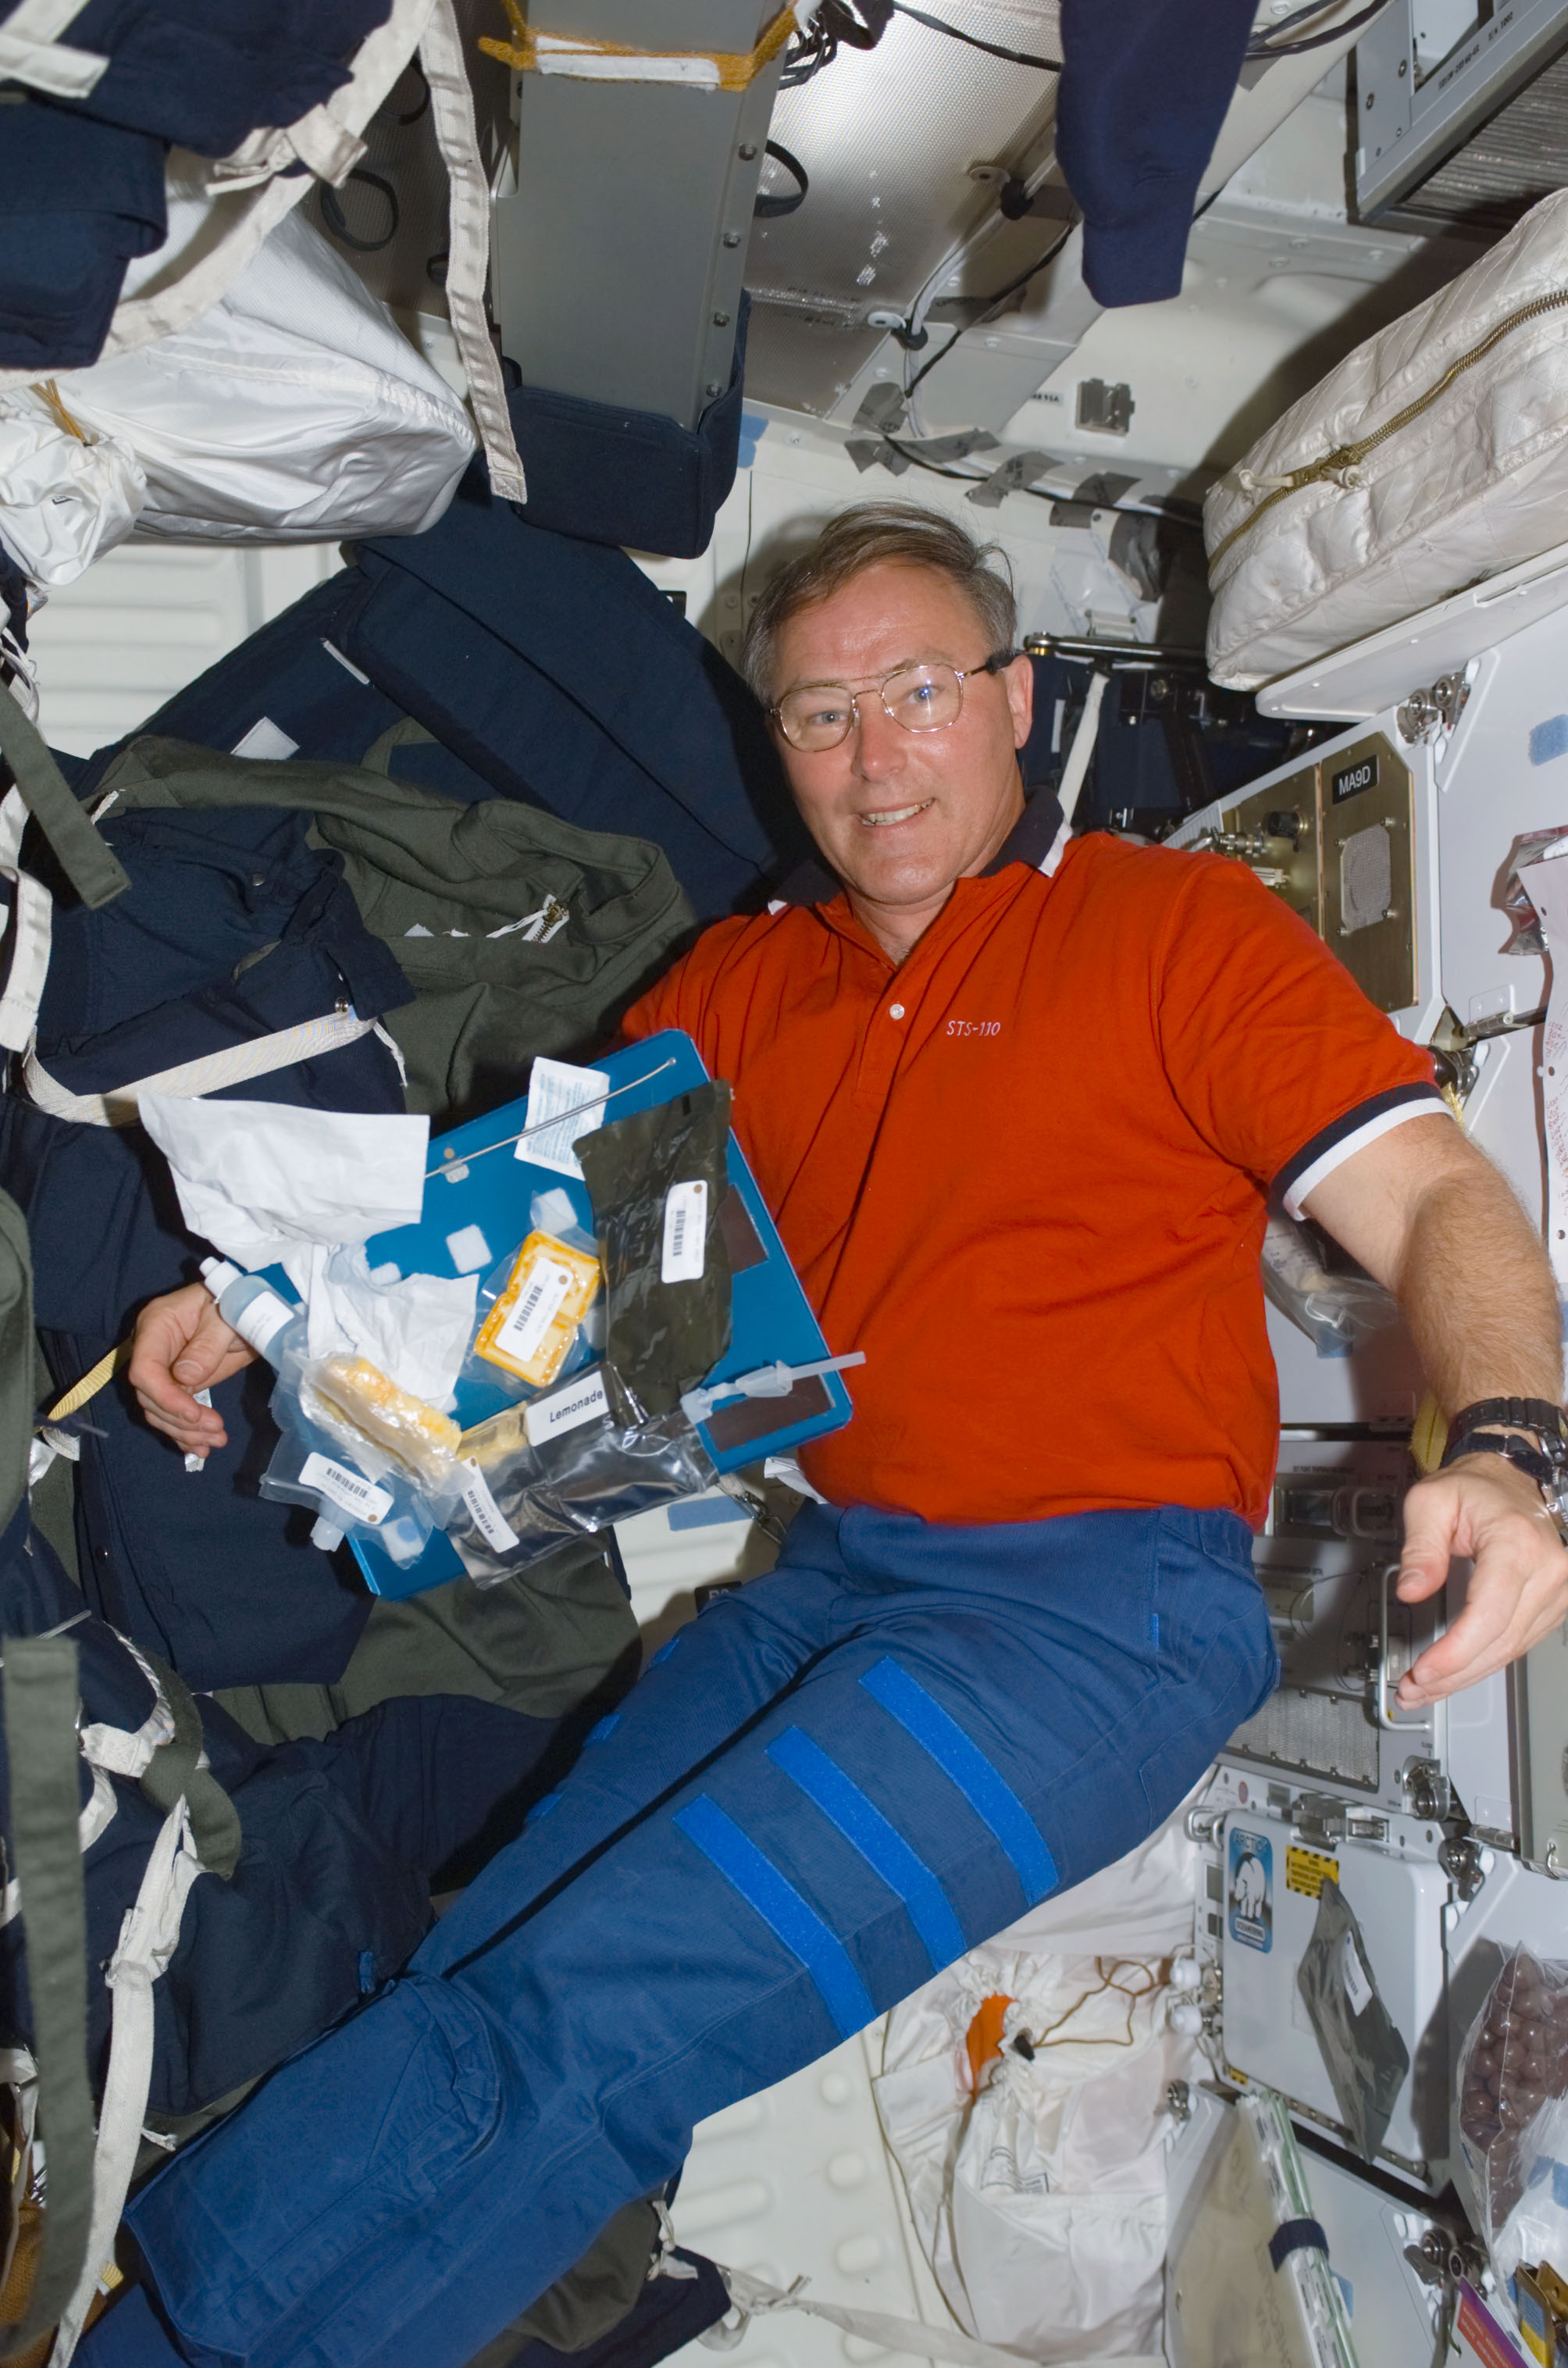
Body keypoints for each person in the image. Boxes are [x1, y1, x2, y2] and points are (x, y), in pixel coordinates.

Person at [120, 504, 1568, 2368]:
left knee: (582, 2020)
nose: (874, 757)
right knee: (485, 1961)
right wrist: (277, 1302)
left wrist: (1513, 1448)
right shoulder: (734, 989)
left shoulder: (1170, 928)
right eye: (817, 714)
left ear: (1015, 699)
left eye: (916, 692)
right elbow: (539, 1260)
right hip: (835, 1578)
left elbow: (1442, 1198)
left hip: (1089, 1622)